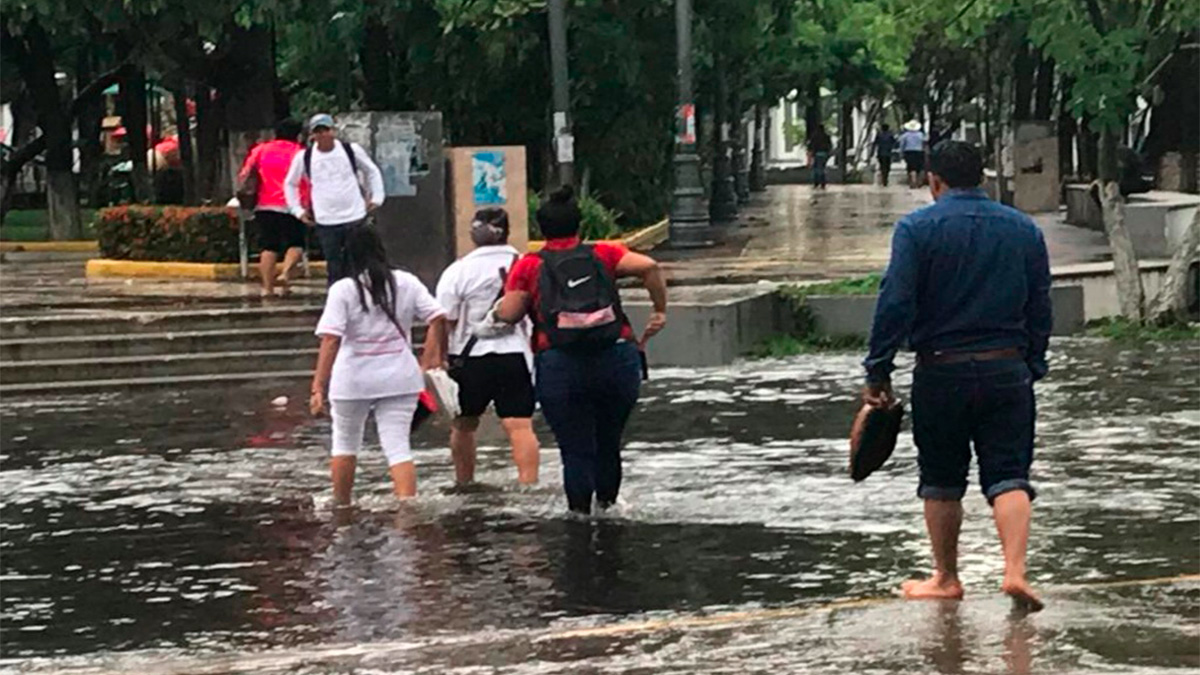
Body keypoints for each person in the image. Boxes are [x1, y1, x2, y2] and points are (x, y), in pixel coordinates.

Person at [862, 140, 1052, 612]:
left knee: (942, 478)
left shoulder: (916, 229)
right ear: (982, 178)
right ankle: (1015, 572)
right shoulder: (1023, 229)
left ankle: (946, 578)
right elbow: (1040, 303)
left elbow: (895, 302)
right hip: (1007, 368)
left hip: (940, 370)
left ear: (934, 181)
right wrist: (1033, 362)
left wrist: (878, 370)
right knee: (1009, 475)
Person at [494, 186, 667, 514]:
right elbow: (649, 266)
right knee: (608, 443)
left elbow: (511, 314)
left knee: (575, 450)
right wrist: (659, 310)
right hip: (616, 358)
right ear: (579, 224)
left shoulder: (529, 265)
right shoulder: (604, 253)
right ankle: (609, 512)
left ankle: (579, 521)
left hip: (560, 364)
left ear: (541, 229)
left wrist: (499, 309)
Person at [310, 224, 448, 505]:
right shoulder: (406, 282)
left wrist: (318, 386)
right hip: (400, 377)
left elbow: (331, 340)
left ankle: (342, 504)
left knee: (345, 444)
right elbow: (438, 317)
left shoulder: (343, 290)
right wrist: (429, 358)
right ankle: (407, 506)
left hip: (352, 380)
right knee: (398, 448)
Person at [435, 208, 539, 487]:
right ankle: (529, 486)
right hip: (514, 354)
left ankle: (464, 482)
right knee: (520, 425)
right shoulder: (525, 264)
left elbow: (445, 320)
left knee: (463, 424)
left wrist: (439, 359)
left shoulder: (459, 270)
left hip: (468, 358)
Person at [285, 113, 385, 286]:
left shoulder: (351, 150)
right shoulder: (304, 157)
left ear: (333, 131)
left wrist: (377, 197)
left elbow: (371, 171)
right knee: (334, 266)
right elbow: (290, 183)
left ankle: (360, 295)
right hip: (326, 220)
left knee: (359, 263)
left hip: (354, 216)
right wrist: (297, 210)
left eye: (326, 130)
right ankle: (338, 297)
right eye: (318, 131)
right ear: (312, 135)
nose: (323, 135)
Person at [238, 118, 306, 297]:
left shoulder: (261, 150)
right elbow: (308, 180)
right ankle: (285, 274)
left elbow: (244, 174)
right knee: (296, 243)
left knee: (269, 246)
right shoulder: (300, 153)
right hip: (293, 205)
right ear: (298, 135)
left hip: (265, 204)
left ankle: (267, 289)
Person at [899, 121, 927, 188]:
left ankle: (913, 182)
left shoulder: (905, 135)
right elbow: (924, 143)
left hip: (909, 152)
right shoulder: (921, 135)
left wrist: (901, 153)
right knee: (920, 168)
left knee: (911, 168)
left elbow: (902, 145)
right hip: (919, 152)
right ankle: (919, 182)